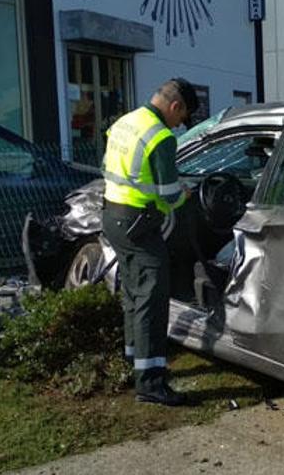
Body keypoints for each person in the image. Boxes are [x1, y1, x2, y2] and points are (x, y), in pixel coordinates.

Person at [101, 78, 199, 406]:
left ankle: (133, 359)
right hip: (139, 225)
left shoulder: (125, 123)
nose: (179, 125)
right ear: (175, 107)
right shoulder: (161, 137)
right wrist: (185, 193)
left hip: (113, 217)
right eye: (181, 118)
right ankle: (151, 383)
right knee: (152, 301)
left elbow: (113, 169)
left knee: (133, 292)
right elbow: (169, 194)